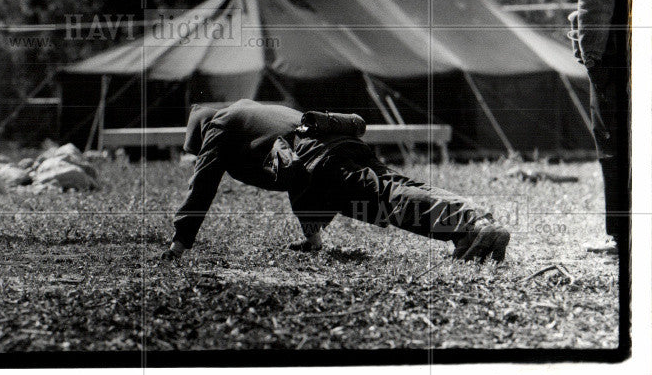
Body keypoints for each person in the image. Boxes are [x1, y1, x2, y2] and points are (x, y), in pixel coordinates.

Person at [163, 99, 510, 263]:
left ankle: (472, 221)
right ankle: (465, 231)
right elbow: (294, 171)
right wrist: (313, 239)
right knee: (391, 189)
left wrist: (179, 243)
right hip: (339, 144)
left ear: (203, 131)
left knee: (386, 198)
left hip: (323, 159)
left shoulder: (220, 126)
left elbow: (202, 185)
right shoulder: (253, 113)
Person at [568, 0, 628, 257]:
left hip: (615, 56)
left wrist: (588, 55)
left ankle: (622, 237)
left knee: (614, 143)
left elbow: (594, 4)